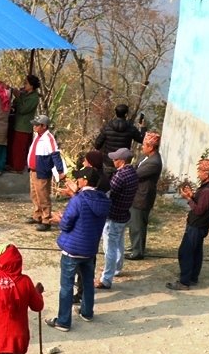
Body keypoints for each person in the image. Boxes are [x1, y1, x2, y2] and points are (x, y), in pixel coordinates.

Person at [46, 166, 109, 332]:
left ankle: (63, 321)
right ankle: (87, 312)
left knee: (66, 285)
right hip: (90, 249)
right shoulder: (104, 200)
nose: (78, 180)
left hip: (72, 249)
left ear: (85, 181)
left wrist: (59, 219)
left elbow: (66, 225)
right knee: (87, 282)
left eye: (80, 178)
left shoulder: (78, 200)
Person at [168, 158, 209, 291]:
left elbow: (199, 210)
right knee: (196, 252)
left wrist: (188, 199)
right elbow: (202, 203)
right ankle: (192, 277)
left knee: (186, 252)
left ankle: (184, 282)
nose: (198, 173)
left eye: (200, 171)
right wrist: (192, 196)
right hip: (200, 225)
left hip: (197, 225)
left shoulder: (208, 190)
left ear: (207, 173)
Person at [95, 148, 138, 290]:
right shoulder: (133, 173)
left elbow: (108, 193)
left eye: (115, 159)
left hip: (113, 216)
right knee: (119, 243)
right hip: (124, 215)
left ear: (122, 161)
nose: (113, 161)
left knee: (110, 248)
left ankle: (106, 279)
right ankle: (116, 268)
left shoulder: (120, 176)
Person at [26, 115, 65, 232]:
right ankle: (37, 215)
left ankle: (46, 219)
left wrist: (60, 171)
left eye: (37, 125)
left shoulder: (49, 138)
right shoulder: (37, 136)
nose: (34, 126)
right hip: (33, 170)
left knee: (43, 196)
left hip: (42, 171)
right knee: (34, 194)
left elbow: (55, 154)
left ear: (44, 126)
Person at [127, 132, 163, 260]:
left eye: (144, 145)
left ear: (151, 147)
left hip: (142, 197)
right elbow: (135, 167)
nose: (142, 147)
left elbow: (136, 174)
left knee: (138, 225)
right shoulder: (145, 157)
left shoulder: (154, 162)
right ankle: (135, 246)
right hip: (137, 195)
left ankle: (137, 252)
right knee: (134, 223)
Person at [92, 104, 144, 170]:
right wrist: (143, 128)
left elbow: (97, 145)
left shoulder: (107, 127)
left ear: (116, 113)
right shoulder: (131, 128)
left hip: (107, 162)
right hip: (122, 163)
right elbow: (142, 140)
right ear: (126, 114)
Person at [6, 75, 41, 173]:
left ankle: (18, 168)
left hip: (24, 126)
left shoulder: (34, 98)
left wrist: (18, 97)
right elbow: (16, 103)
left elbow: (23, 109)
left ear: (32, 85)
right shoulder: (25, 94)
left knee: (20, 149)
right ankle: (13, 165)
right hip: (18, 124)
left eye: (26, 83)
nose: (24, 85)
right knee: (14, 147)